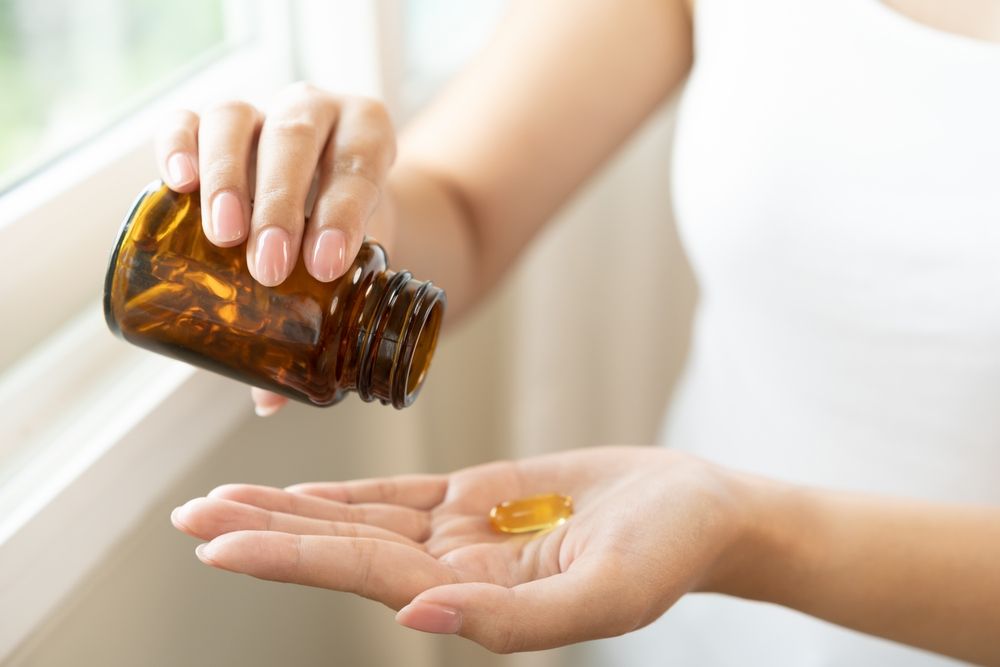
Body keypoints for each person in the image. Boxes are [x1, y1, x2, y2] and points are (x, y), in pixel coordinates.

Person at [165, 0, 1000, 664]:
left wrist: (751, 534)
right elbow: (465, 205)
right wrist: (338, 215)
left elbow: (741, 532)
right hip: (690, 634)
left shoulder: (728, 530)